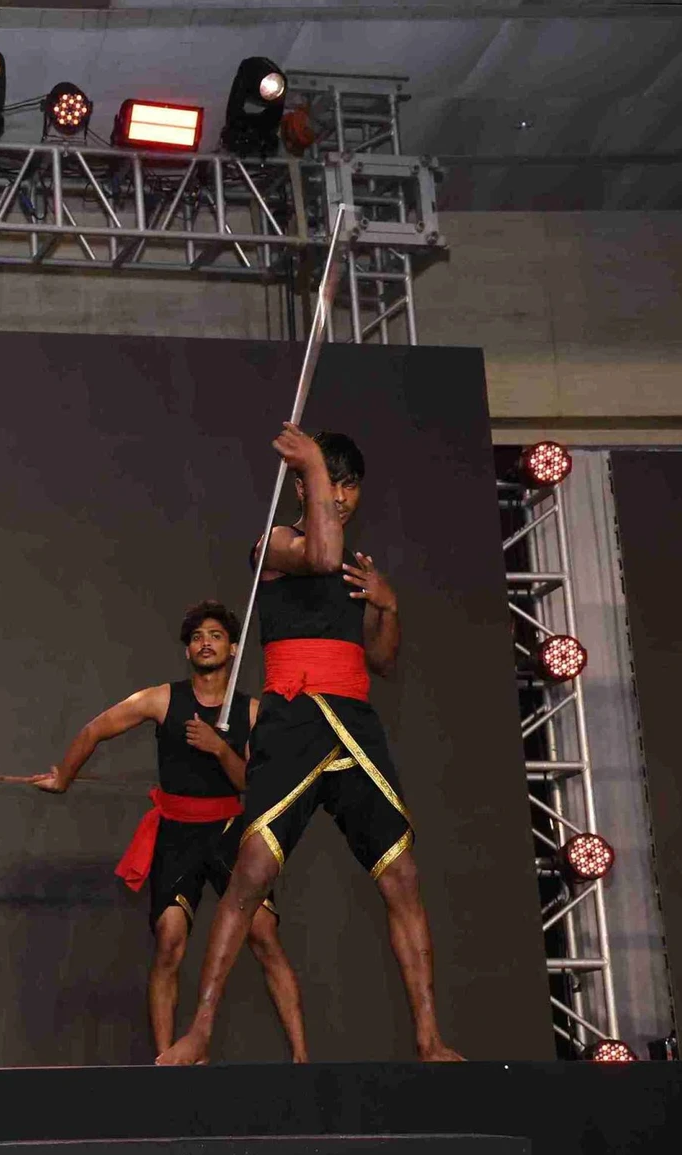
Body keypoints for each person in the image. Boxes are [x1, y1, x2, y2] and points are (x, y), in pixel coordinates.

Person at [160, 425, 461, 1065]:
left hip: (354, 721)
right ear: (300, 484)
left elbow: (381, 660)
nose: (342, 496)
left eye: (351, 485)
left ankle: (430, 1039)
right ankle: (201, 1031)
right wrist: (312, 467)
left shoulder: (355, 562)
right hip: (293, 720)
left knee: (403, 875)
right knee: (250, 876)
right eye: (331, 482)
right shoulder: (272, 544)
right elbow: (319, 555)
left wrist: (388, 607)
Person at [32, 602, 308, 1062]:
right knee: (169, 942)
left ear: (233, 648)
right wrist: (64, 775)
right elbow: (97, 729)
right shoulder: (161, 700)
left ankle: (301, 1058)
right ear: (187, 650)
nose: (206, 641)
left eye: (216, 635)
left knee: (264, 936)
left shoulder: (254, 713)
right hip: (177, 833)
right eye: (198, 635)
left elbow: (253, 787)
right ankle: (166, 1065)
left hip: (228, 832)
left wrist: (220, 750)